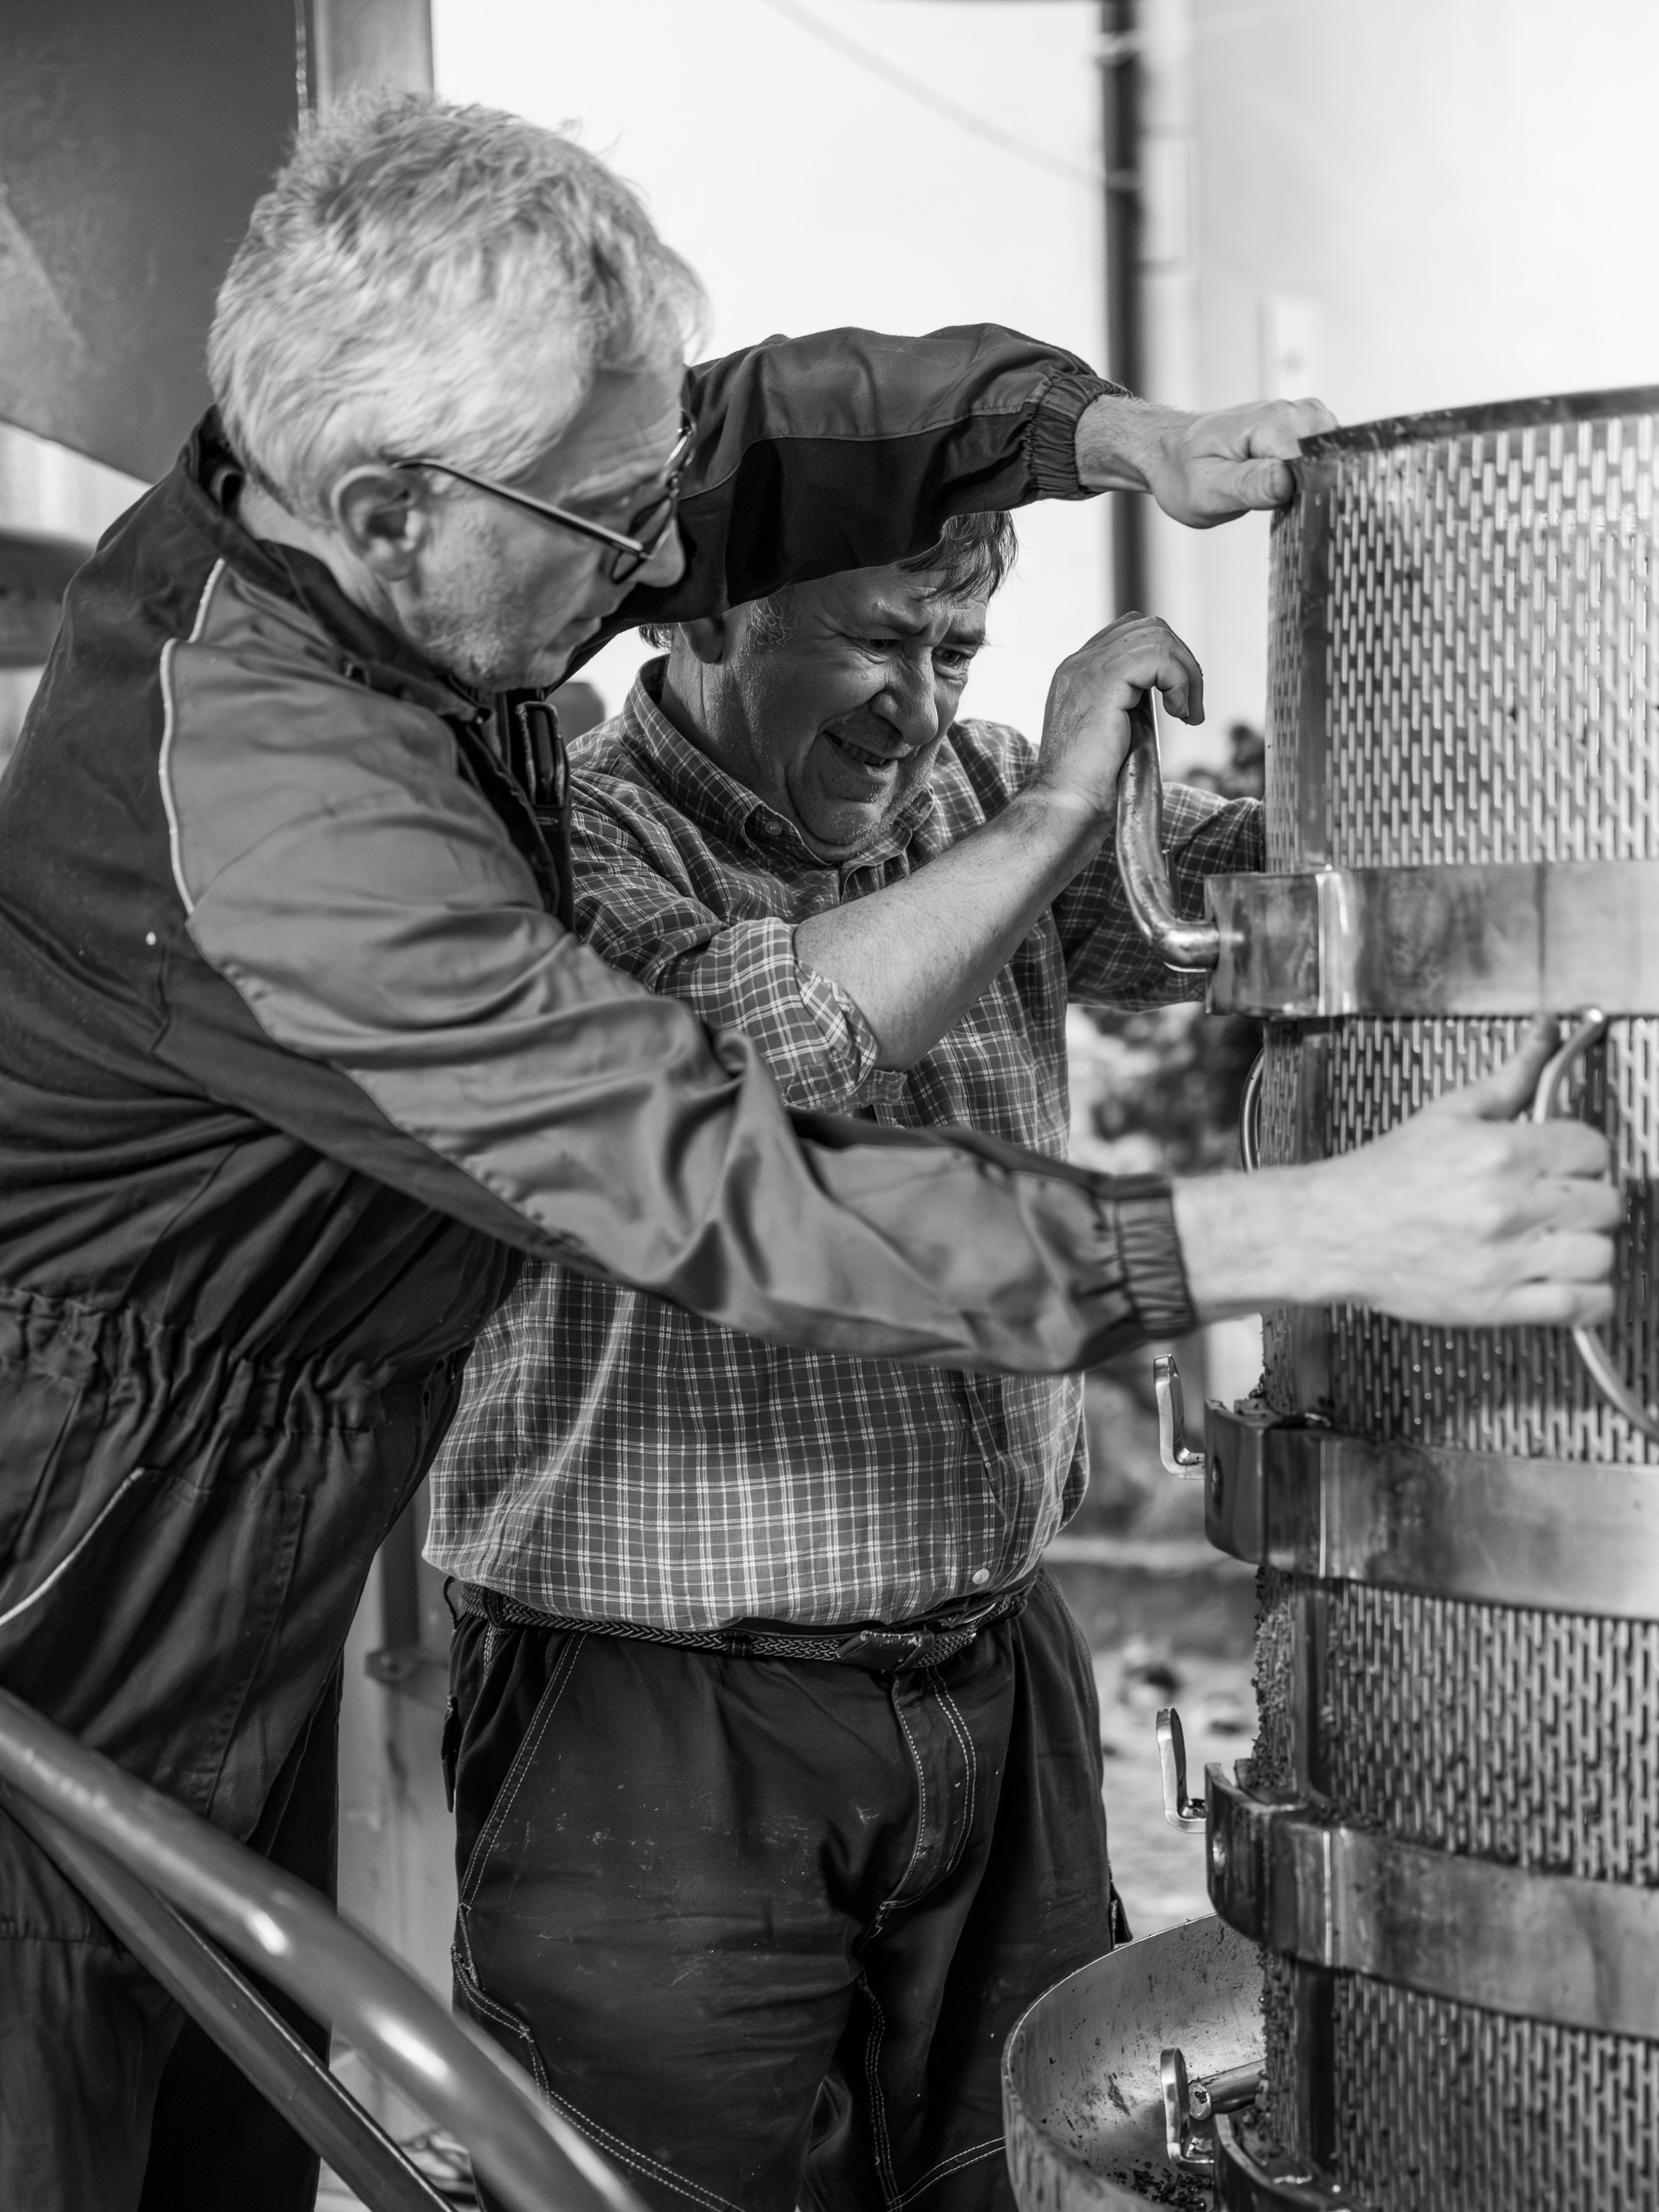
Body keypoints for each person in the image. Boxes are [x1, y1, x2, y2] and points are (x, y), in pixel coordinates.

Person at [0, 89, 1612, 2212]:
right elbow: (728, 1181)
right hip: (90, 1554)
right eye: (616, 533)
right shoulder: (297, 815)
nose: (661, 558)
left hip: (294, 1542)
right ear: (392, 512)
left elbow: (766, 437)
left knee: (230, 2111)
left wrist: (1104, 434)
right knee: (61, 2115)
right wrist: (1315, 1225)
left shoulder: (399, 533)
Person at [428, 518, 1603, 2212]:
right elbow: (749, 1066)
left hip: (987, 1665)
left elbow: (1294, 899)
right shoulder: (562, 844)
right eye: (874, 642)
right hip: (661, 1722)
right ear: (707, 620)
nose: (917, 709)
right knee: (659, 2189)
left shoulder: (970, 790)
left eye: (957, 652)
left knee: (1031, 2165)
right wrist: (1055, 813)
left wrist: (1516, 755)